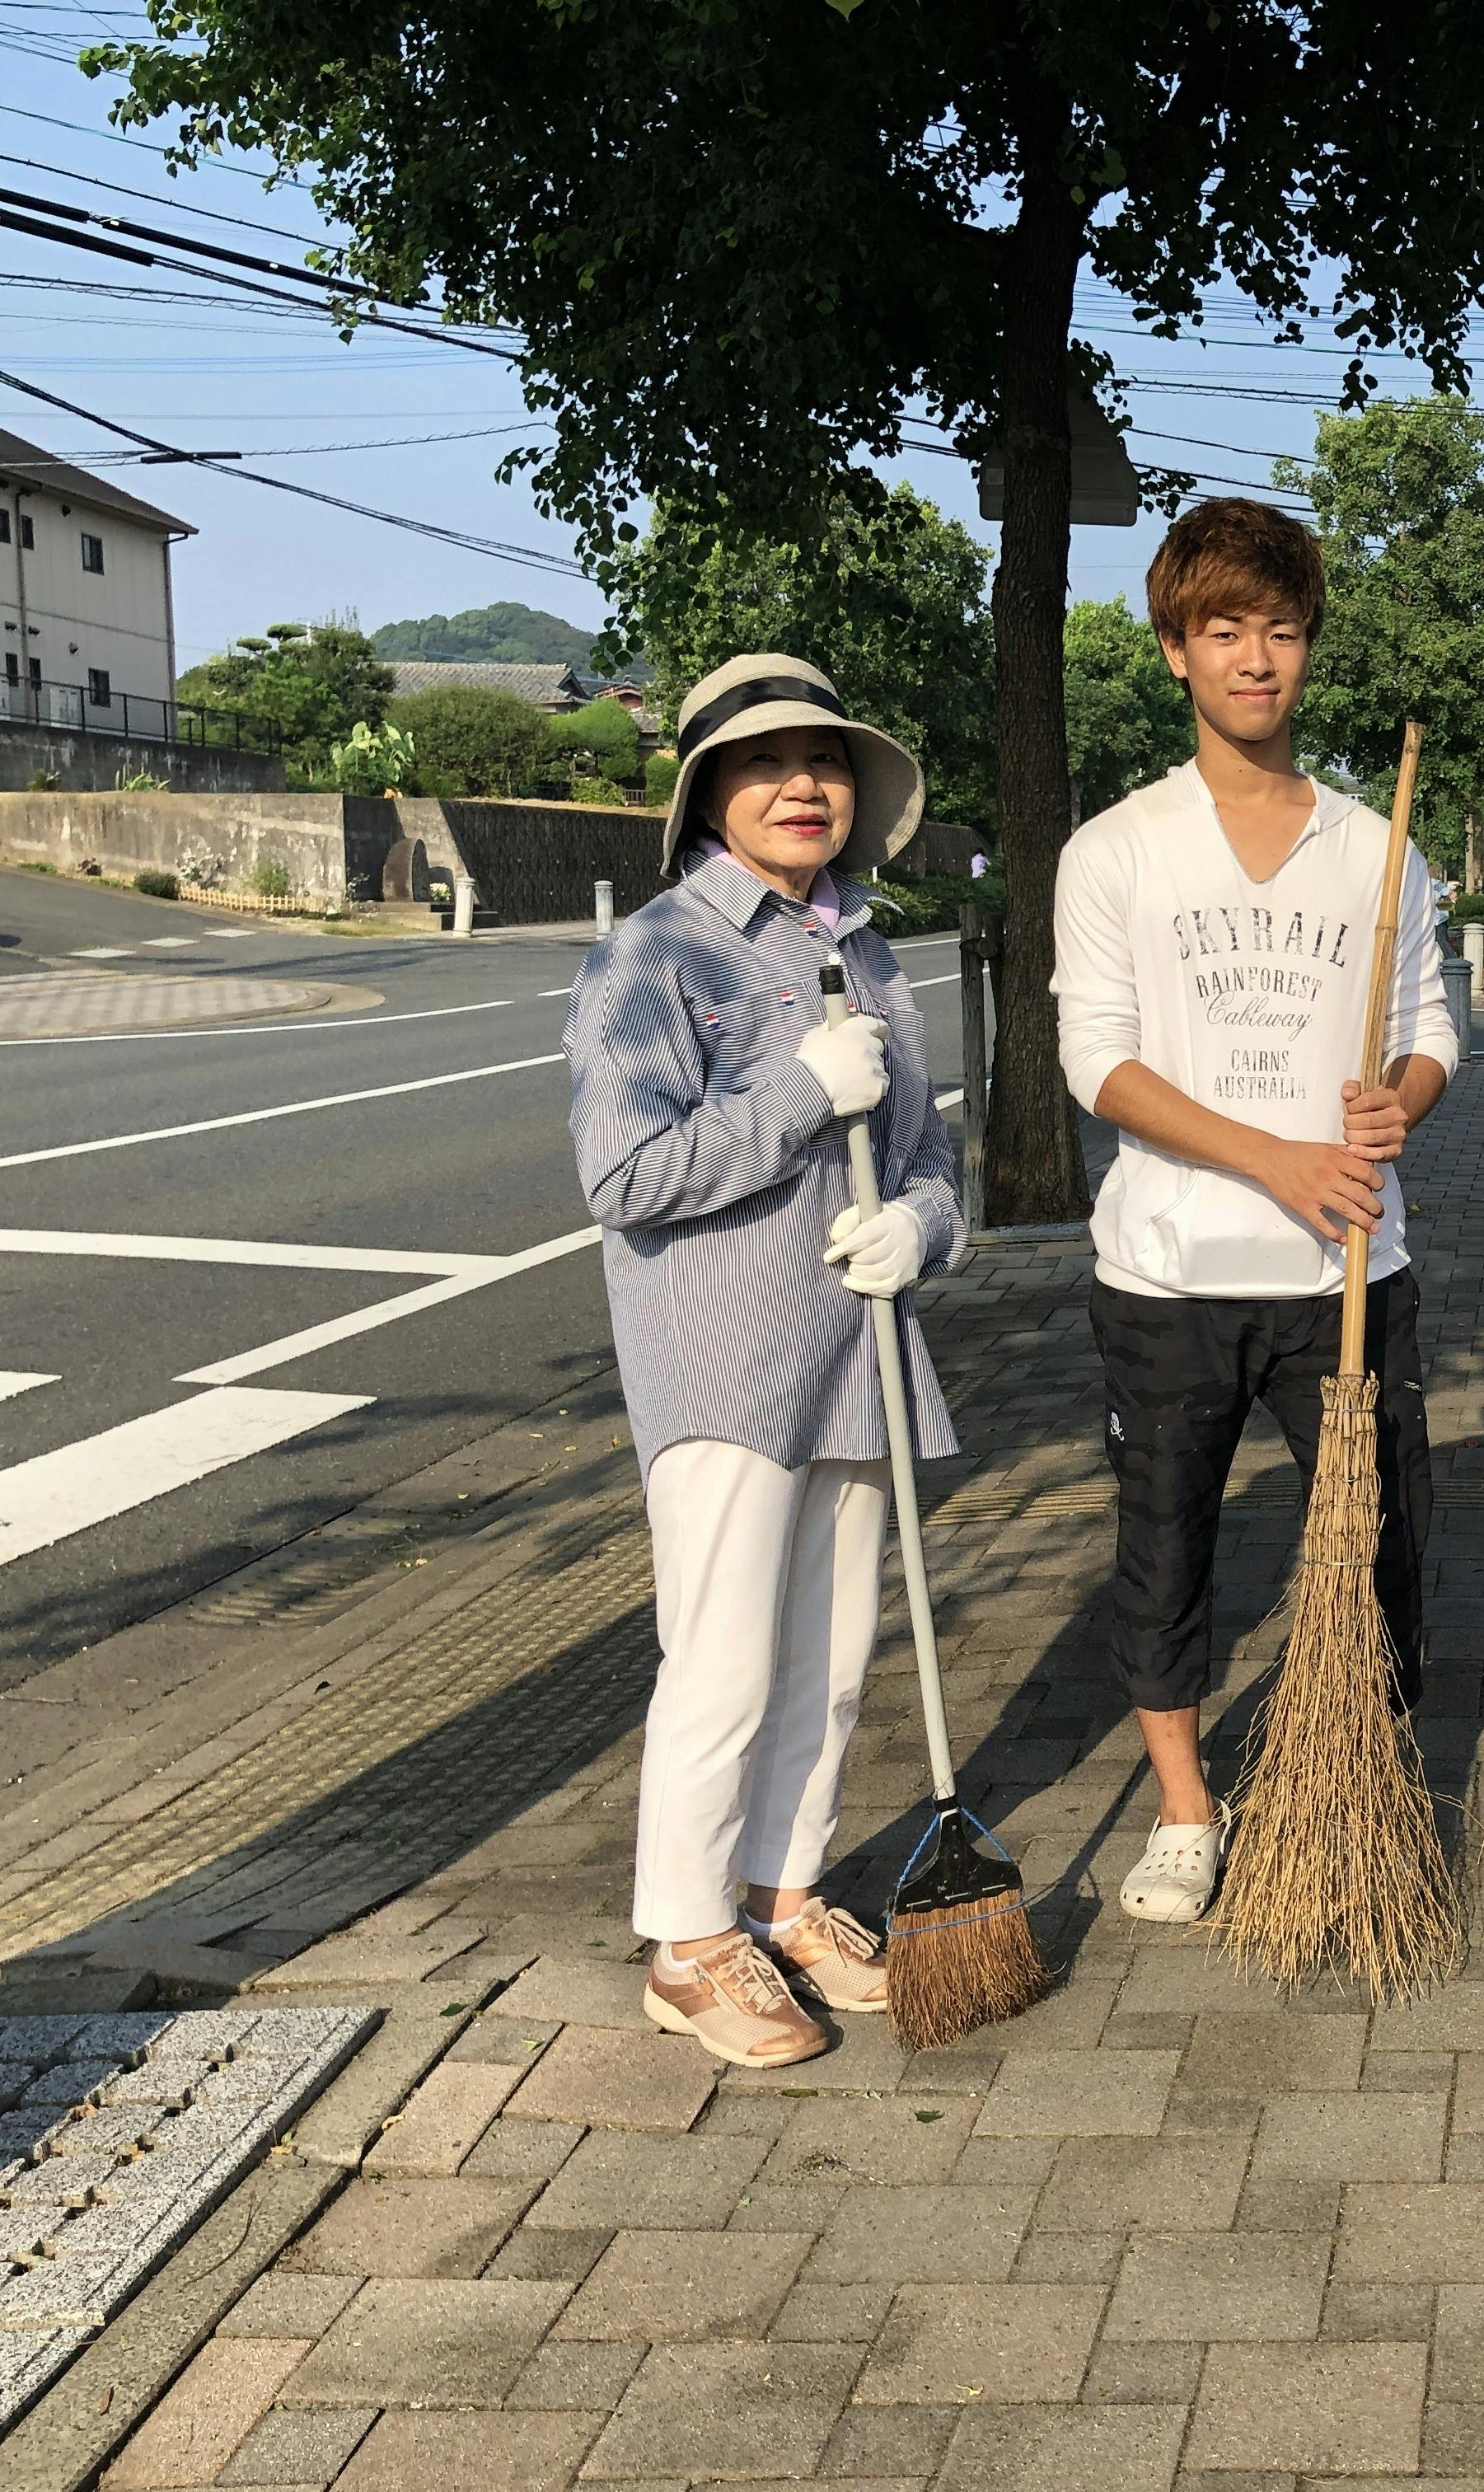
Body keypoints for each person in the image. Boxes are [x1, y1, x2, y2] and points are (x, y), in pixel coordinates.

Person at [1053, 499, 1460, 1926]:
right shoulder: (1118, 849)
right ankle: (1184, 1809)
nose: (1254, 658)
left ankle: (1357, 1773)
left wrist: (1399, 1100)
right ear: (1176, 648)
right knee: (1166, 1542)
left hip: (1349, 1267)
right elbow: (1098, 1062)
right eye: (1223, 629)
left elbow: (1432, 1028)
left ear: (1306, 648)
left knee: (1383, 1536)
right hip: (1169, 1275)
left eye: (1280, 630)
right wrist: (1273, 1158)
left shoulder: (1375, 847)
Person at [566, 652, 967, 2067]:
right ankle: (686, 1943)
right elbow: (624, 1172)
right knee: (725, 1658)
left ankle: (783, 1898)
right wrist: (801, 1090)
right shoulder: (656, 953)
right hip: (728, 1360)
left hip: (857, 1349)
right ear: (707, 794)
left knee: (834, 1655)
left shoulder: (868, 952)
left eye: (824, 759)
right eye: (763, 761)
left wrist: (922, 1226)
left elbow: (930, 1155)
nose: (802, 783)